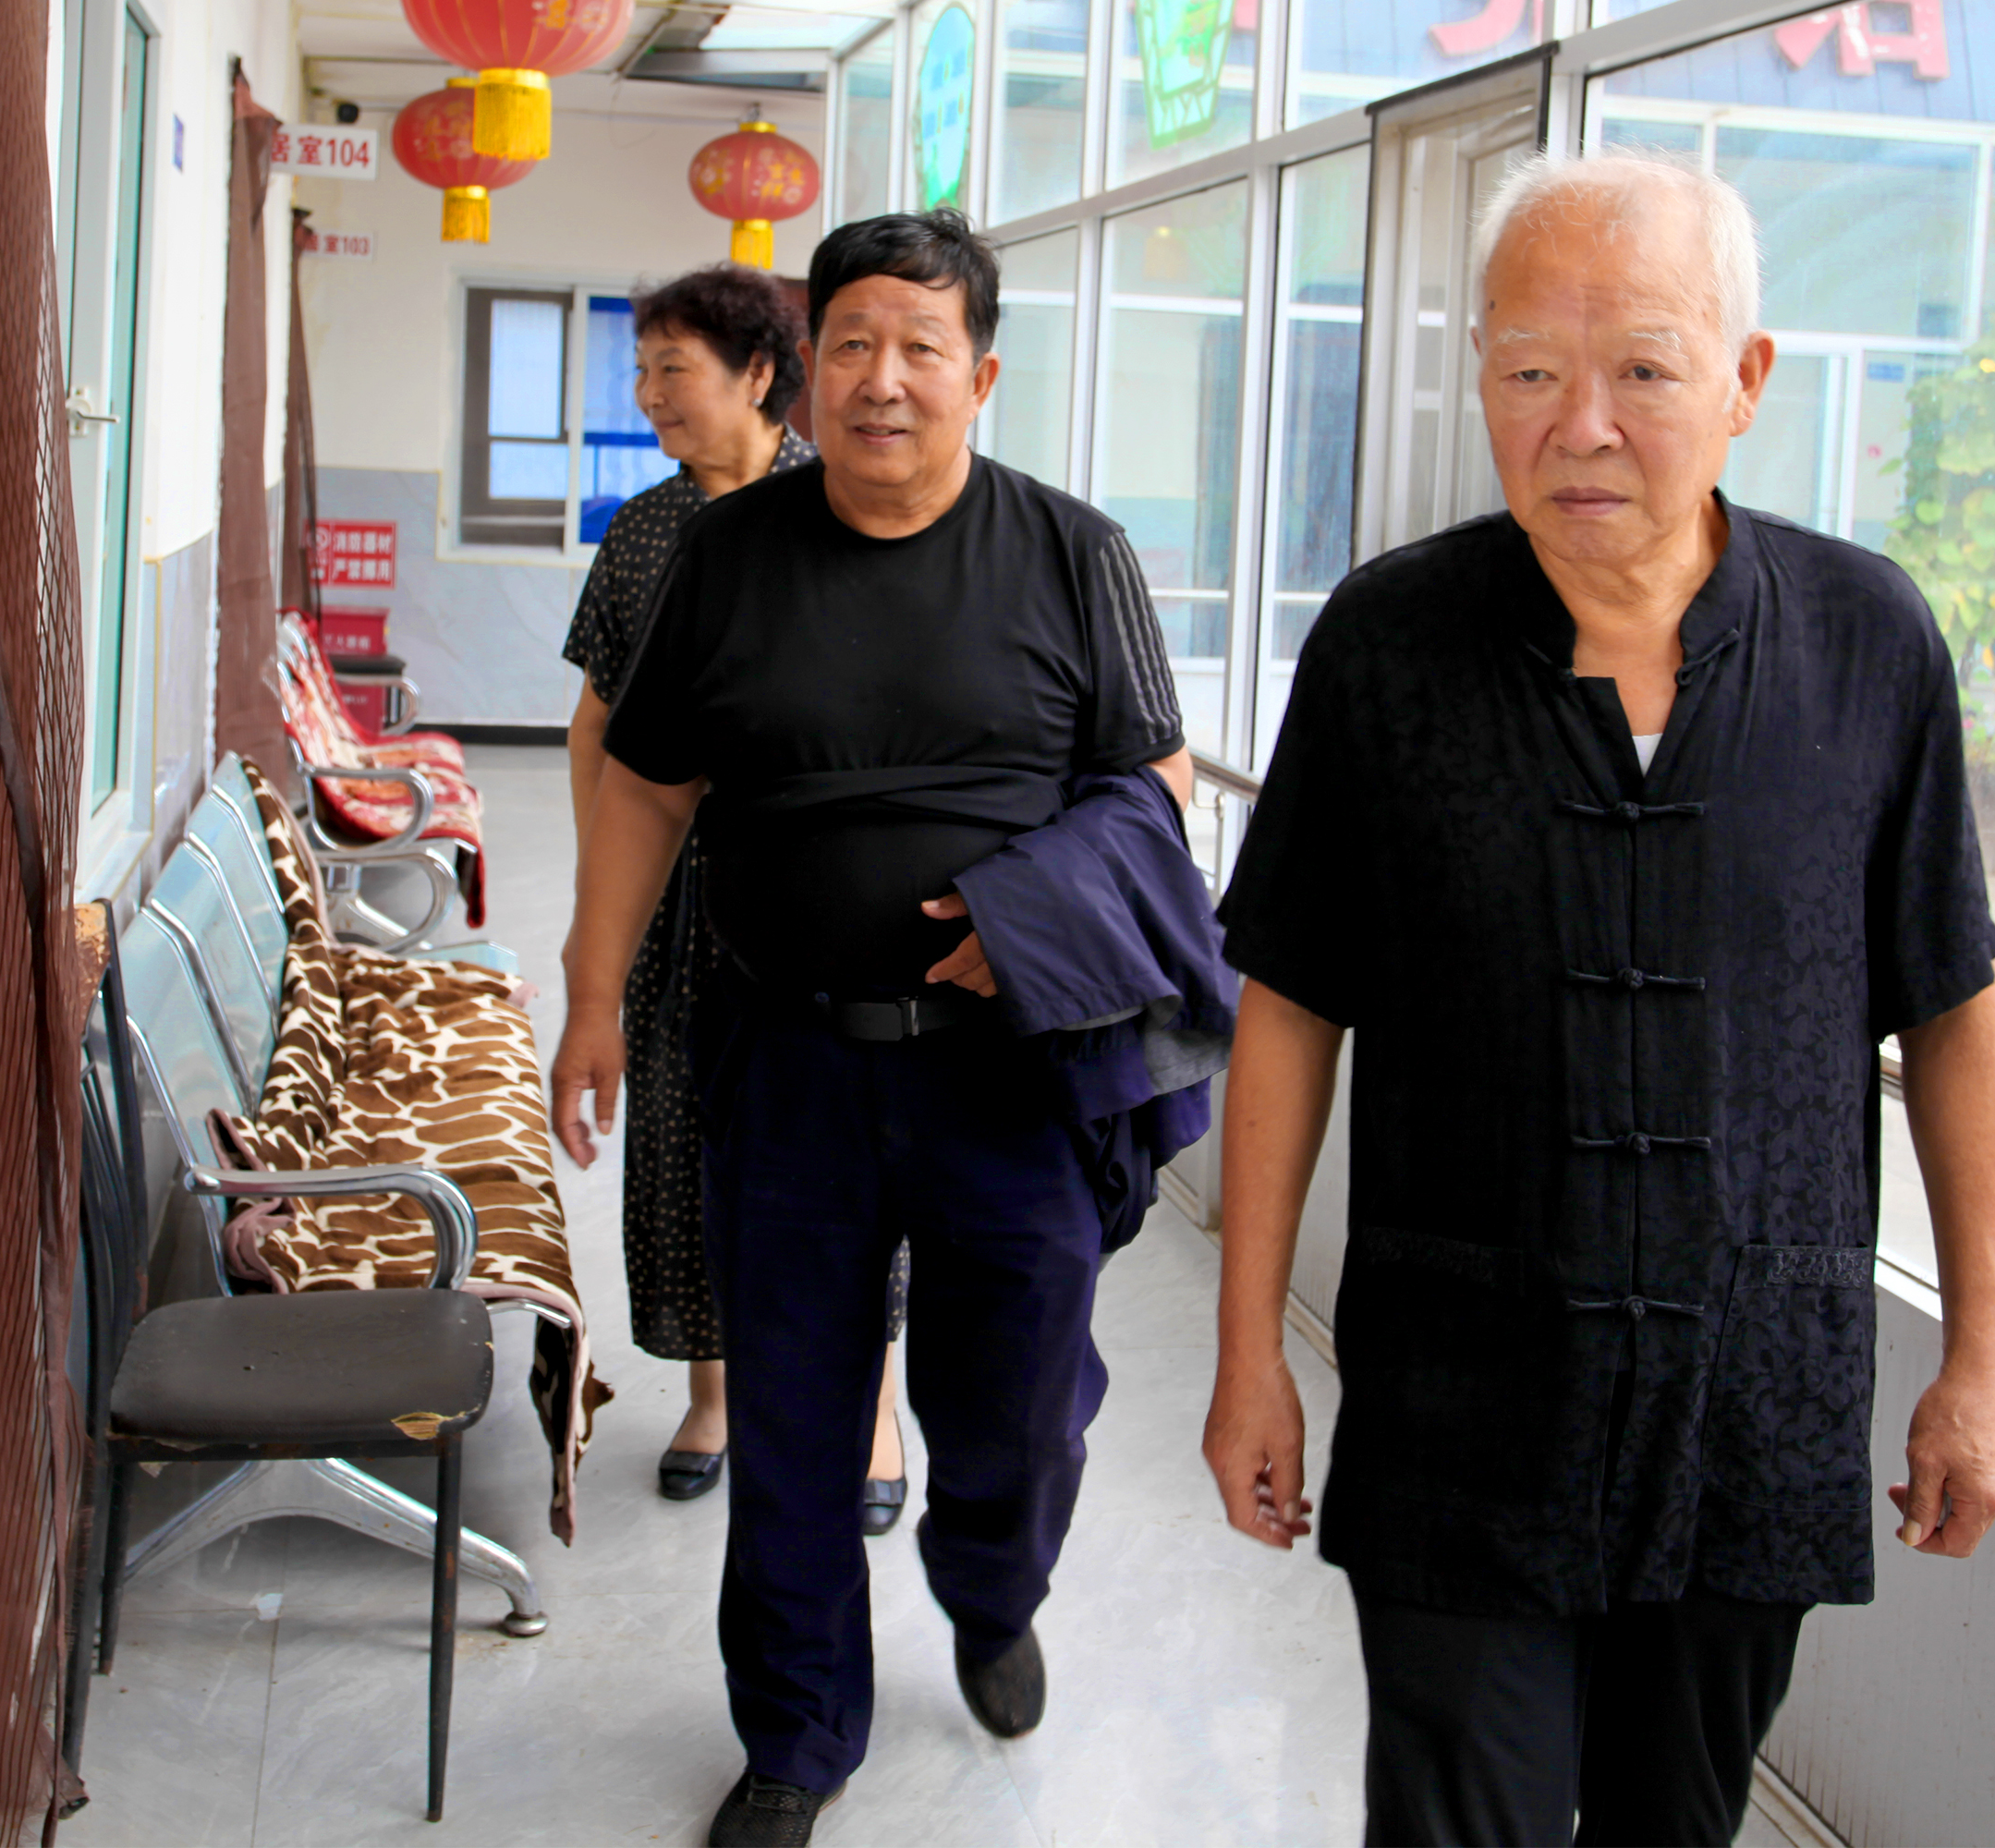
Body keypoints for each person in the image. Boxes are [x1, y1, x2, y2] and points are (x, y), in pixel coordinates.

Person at [1201, 152, 1995, 1848]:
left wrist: (1980, 1365)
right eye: (1529, 371)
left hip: (1751, 1391)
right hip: (1463, 1391)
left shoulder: (1866, 643)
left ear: (1745, 379)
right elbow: (1291, 1002)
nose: (1579, 426)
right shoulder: (1387, 645)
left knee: (1678, 1823)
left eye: (1644, 369)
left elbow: (1953, 1008)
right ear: (1479, 375)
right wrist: (1249, 1352)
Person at [548, 211, 1196, 1848]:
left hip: (1014, 1079)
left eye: (920, 348)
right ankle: (797, 1734)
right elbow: (649, 784)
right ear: (806, 369)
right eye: (852, 344)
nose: (883, 379)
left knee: (1018, 1406)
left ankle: (992, 1586)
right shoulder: (727, 555)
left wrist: (1032, 916)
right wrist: (591, 994)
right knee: (791, 1415)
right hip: (789, 1065)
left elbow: (1154, 786)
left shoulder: (1073, 553)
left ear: (983, 376)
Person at [559, 263, 912, 1530]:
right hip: (674, 907)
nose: (652, 394)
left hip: (815, 903)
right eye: (643, 370)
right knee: (683, 1141)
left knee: (847, 1158)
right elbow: (596, 724)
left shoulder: (841, 509)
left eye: (675, 370)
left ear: (761, 375)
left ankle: (874, 1410)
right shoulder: (646, 532)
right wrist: (607, 892)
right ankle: (712, 1396)